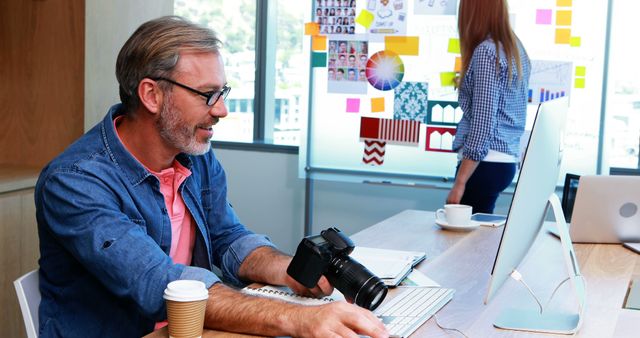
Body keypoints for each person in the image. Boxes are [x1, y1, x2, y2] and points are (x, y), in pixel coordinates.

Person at [35, 16, 388, 338]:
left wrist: (287, 270)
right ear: (151, 95)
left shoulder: (192, 153)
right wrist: (296, 317)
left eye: (223, 92)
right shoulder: (74, 182)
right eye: (208, 95)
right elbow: (158, 282)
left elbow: (227, 236)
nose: (221, 110)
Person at [447, 0, 531, 214]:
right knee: (480, 239)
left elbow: (483, 121)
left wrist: (460, 182)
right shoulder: (515, 47)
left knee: (463, 242)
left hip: (484, 163)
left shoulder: (486, 51)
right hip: (504, 162)